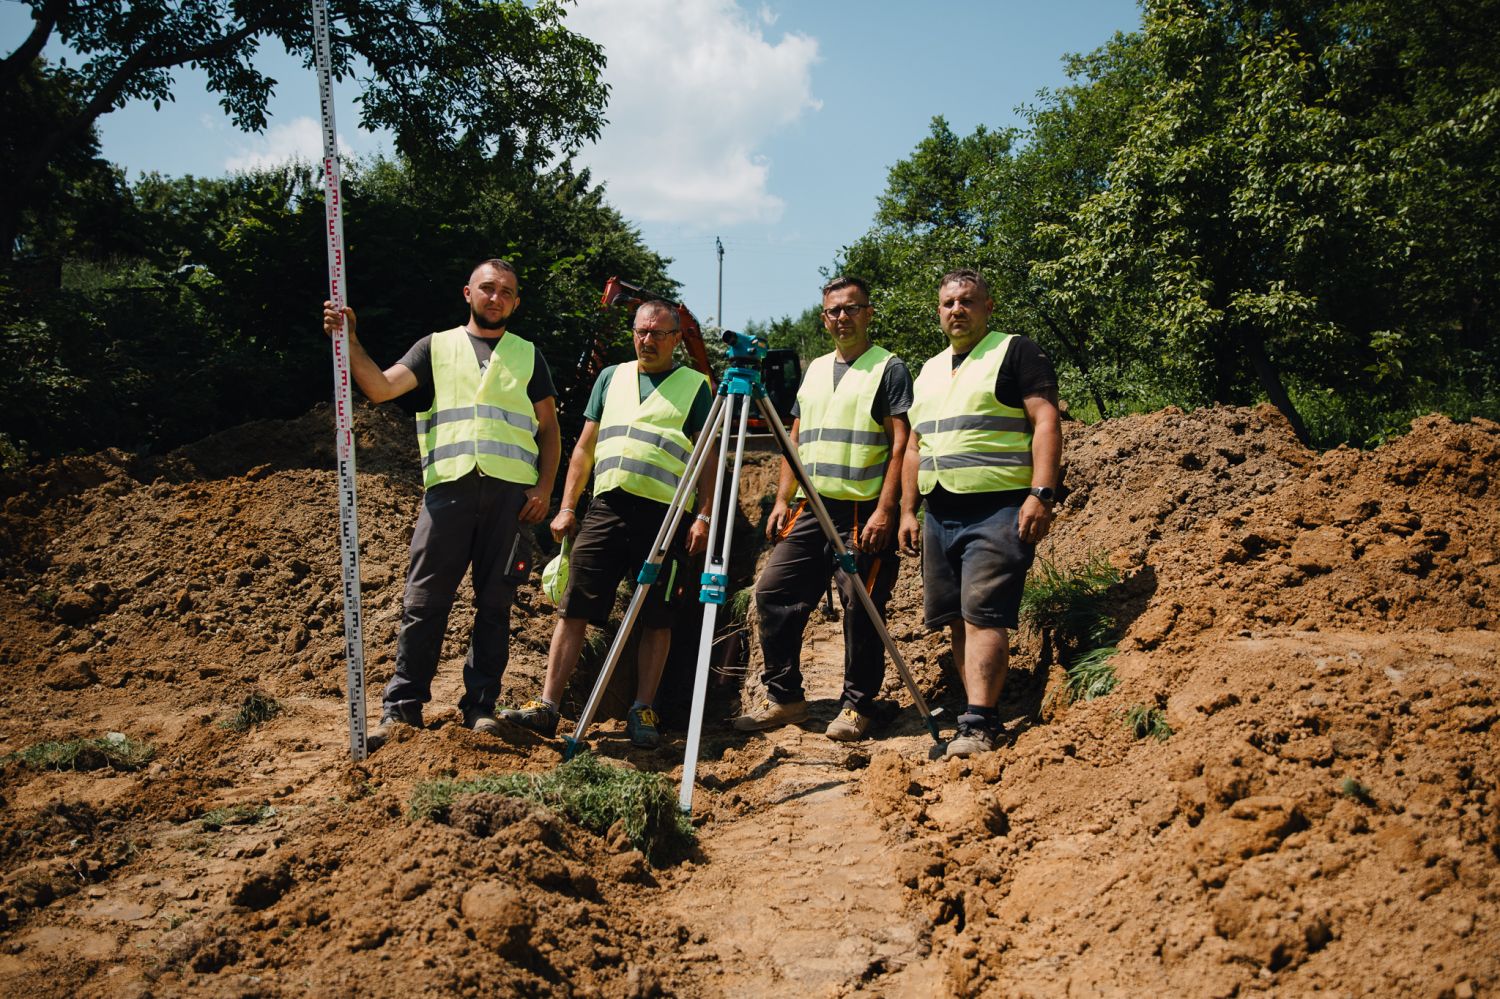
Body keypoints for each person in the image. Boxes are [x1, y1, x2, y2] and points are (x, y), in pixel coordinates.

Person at [321, 258, 560, 751]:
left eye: (507, 292)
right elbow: (381, 387)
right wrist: (347, 342)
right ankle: (402, 709)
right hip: (447, 493)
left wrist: (544, 489)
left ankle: (480, 708)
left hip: (510, 500)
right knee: (424, 602)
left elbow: (550, 430)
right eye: (487, 289)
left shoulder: (528, 355)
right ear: (467, 293)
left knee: (496, 605)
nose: (496, 298)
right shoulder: (436, 346)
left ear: (516, 302)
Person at [502, 300, 715, 747]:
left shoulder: (695, 386)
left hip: (666, 517)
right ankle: (548, 705)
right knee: (575, 606)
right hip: (607, 509)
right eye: (641, 331)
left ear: (677, 338)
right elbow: (584, 447)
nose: (647, 340)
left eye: (658, 333)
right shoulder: (610, 377)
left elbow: (708, 458)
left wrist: (704, 513)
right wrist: (567, 506)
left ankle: (643, 710)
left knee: (658, 615)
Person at [733, 276, 912, 741]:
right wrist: (781, 498)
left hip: (861, 509)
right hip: (812, 509)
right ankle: (785, 698)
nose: (842, 318)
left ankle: (857, 706)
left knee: (861, 605)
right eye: (834, 311)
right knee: (773, 592)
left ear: (868, 313)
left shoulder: (888, 368)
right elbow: (795, 438)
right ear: (824, 317)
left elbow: (900, 444)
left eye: (851, 309)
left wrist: (886, 509)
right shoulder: (813, 370)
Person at [897, 268, 1061, 758]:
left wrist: (1042, 493)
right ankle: (974, 709)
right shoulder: (929, 370)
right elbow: (915, 446)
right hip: (940, 508)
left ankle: (983, 723)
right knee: (956, 618)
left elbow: (1046, 420)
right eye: (948, 302)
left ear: (987, 306)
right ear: (938, 311)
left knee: (985, 613)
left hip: (998, 507)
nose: (957, 310)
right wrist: (909, 510)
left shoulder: (1015, 351)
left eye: (967, 301)